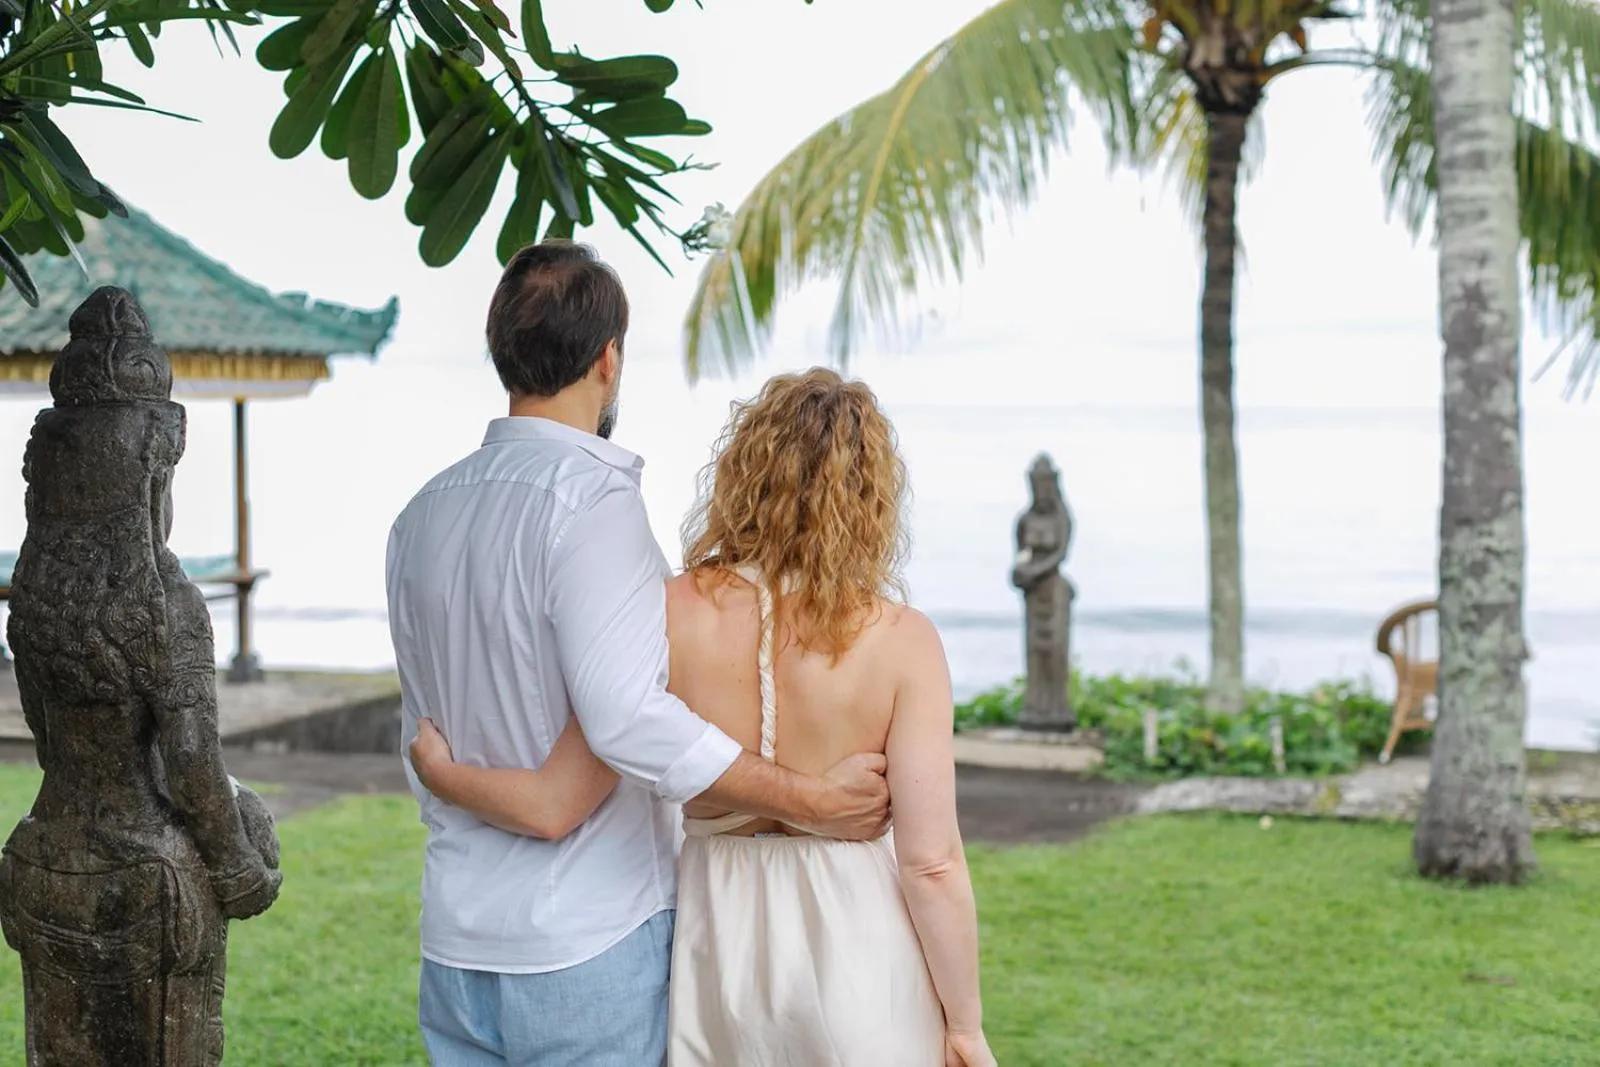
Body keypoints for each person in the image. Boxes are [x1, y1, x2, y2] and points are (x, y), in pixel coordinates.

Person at [385, 243, 892, 1067]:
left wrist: (456, 781)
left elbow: (426, 741)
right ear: (609, 358)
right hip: (585, 939)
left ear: (501, 350)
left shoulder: (421, 518)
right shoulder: (592, 503)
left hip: (456, 943)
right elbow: (626, 719)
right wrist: (808, 799)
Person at [411, 368, 997, 1067]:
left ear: (744, 469)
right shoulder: (902, 639)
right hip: (859, 946)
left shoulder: (668, 611)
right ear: (871, 495)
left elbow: (595, 760)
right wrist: (963, 1023)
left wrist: (447, 775)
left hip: (717, 947)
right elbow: (931, 863)